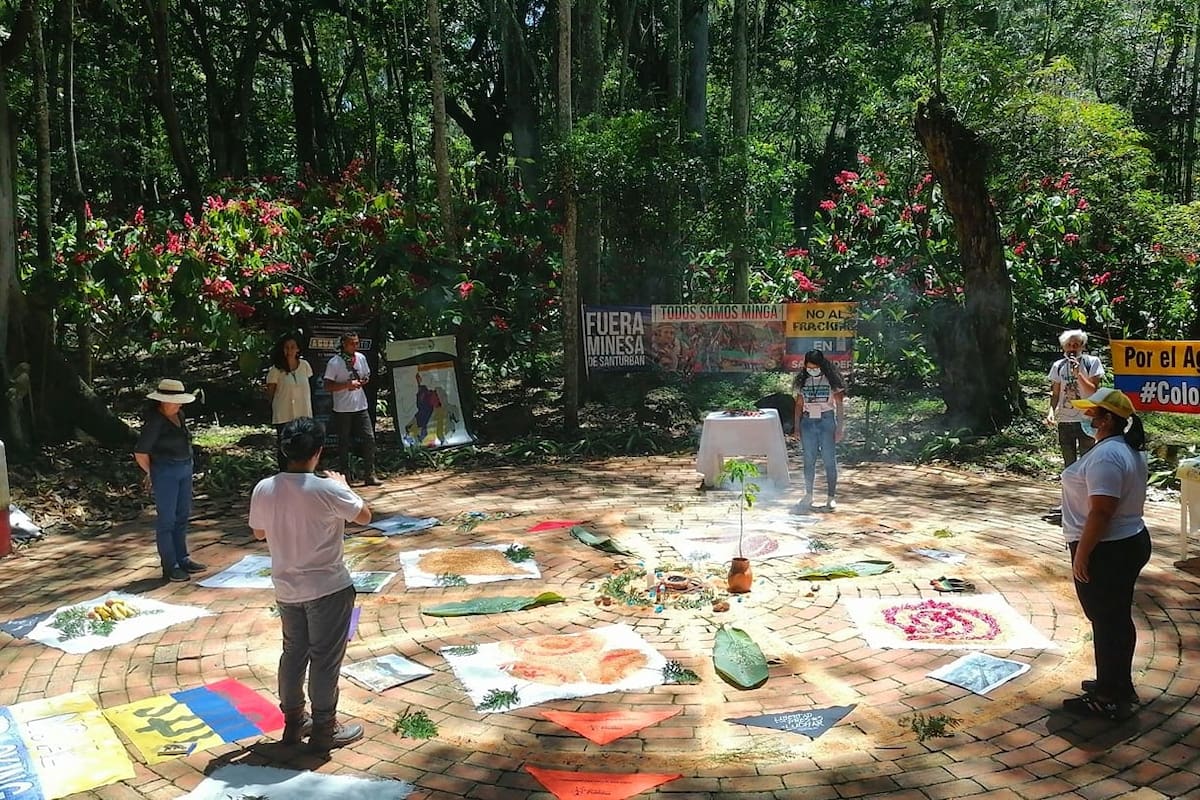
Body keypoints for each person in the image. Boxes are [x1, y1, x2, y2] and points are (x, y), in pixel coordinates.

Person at [249, 417, 372, 750]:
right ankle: (324, 729)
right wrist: (344, 487)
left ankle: (293, 723)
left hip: (287, 590)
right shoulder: (328, 488)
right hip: (328, 588)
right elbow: (365, 516)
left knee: (293, 654)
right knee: (324, 659)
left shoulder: (265, 487)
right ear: (318, 451)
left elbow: (259, 532)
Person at [1059, 387, 1151, 722]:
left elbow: (1101, 511)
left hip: (1108, 547)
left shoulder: (1108, 456)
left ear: (1107, 419)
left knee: (1107, 621)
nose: (1087, 418)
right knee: (1114, 618)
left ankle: (1108, 697)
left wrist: (1083, 554)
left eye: (1093, 413)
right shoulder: (1123, 449)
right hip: (1123, 542)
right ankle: (1116, 682)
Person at [134, 379, 206, 582]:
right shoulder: (155, 422)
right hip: (165, 471)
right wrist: (153, 472)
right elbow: (140, 452)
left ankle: (183, 558)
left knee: (182, 515)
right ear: (162, 402)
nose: (178, 405)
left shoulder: (179, 415)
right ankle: (170, 565)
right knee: (167, 520)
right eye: (173, 401)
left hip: (184, 467)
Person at [791, 350, 846, 511]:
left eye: (815, 367)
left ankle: (831, 497)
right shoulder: (803, 381)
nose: (812, 369)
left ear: (822, 365)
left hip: (826, 421)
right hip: (808, 422)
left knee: (829, 460)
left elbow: (840, 405)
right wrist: (797, 426)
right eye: (809, 367)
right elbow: (799, 405)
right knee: (809, 460)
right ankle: (808, 494)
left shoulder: (831, 381)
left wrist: (840, 427)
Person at [322, 331, 379, 486]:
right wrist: (347, 385)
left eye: (357, 343)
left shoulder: (361, 358)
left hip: (361, 406)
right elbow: (327, 385)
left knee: (369, 438)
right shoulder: (335, 362)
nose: (355, 346)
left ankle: (370, 474)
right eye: (352, 343)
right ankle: (345, 476)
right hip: (342, 409)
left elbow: (367, 375)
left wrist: (363, 381)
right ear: (344, 344)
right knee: (344, 443)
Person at [1046, 329, 1105, 468]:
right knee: (1069, 463)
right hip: (1065, 420)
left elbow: (1093, 390)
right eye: (1069, 344)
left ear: (1083, 346)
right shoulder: (1058, 365)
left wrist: (1078, 374)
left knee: (1088, 462)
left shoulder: (1092, 362)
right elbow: (1055, 393)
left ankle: (1086, 488)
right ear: (1063, 347)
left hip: (1087, 420)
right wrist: (1050, 412)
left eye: (1076, 345)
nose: (1072, 348)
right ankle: (1069, 489)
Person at [266, 333, 314, 469]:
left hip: (303, 414)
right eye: (286, 347)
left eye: (293, 347)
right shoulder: (276, 370)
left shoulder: (305, 366)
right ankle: (284, 476)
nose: (289, 350)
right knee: (285, 447)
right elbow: (270, 392)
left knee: (303, 446)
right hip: (284, 415)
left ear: (298, 349)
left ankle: (303, 475)